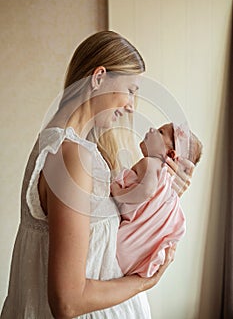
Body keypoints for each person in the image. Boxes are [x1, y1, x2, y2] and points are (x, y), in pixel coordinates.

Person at [1, 31, 193, 319]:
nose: (131, 105)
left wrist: (165, 195)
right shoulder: (71, 157)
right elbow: (67, 301)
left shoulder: (78, 149)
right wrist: (146, 281)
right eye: (130, 90)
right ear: (99, 77)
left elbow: (102, 238)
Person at [111, 123, 202, 277]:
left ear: (171, 154)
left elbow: (146, 190)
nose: (152, 129)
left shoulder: (151, 164)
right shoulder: (168, 188)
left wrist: (118, 192)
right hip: (136, 261)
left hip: (121, 247)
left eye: (160, 132)